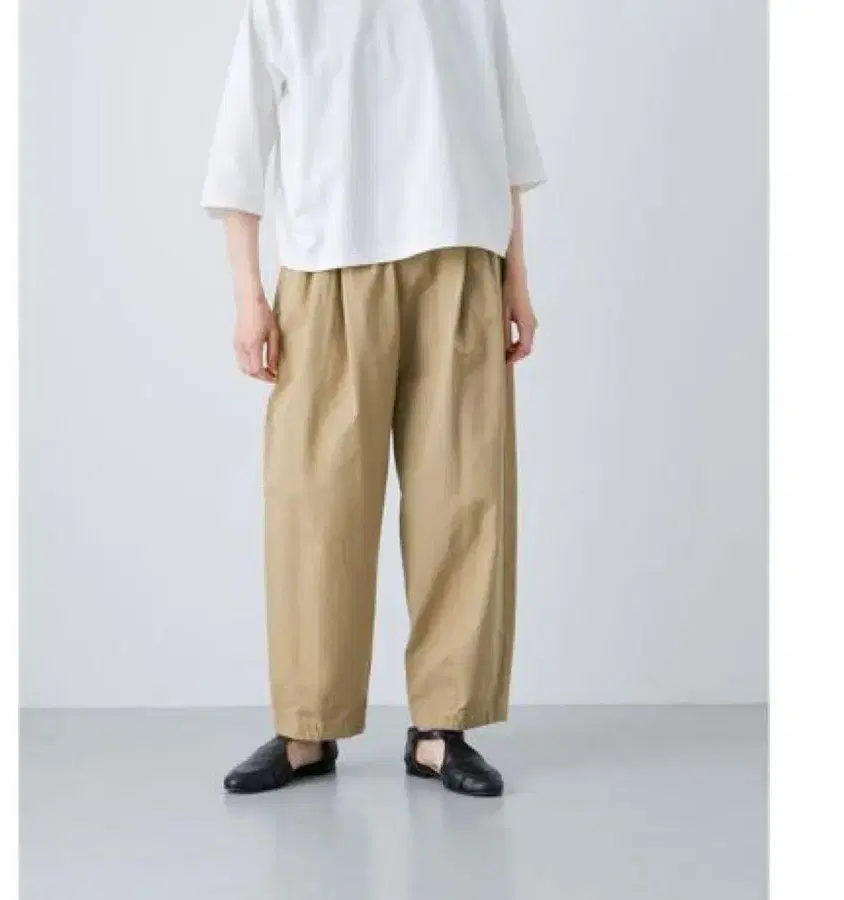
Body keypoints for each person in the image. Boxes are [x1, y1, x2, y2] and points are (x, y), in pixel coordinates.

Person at [202, 0, 544, 798]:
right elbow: (240, 149)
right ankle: (307, 727)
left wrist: (517, 278)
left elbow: (503, 147)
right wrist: (249, 296)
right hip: (327, 267)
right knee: (315, 506)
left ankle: (442, 728)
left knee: (464, 498)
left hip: (459, 261)